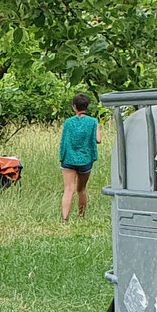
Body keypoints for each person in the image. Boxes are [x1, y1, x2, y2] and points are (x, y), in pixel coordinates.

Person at [59, 93, 99, 223]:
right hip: (85, 160)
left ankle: (65, 219)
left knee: (68, 189)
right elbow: (98, 140)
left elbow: (64, 141)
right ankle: (81, 217)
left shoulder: (68, 123)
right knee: (81, 189)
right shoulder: (93, 122)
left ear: (74, 106)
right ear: (86, 106)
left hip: (69, 159)